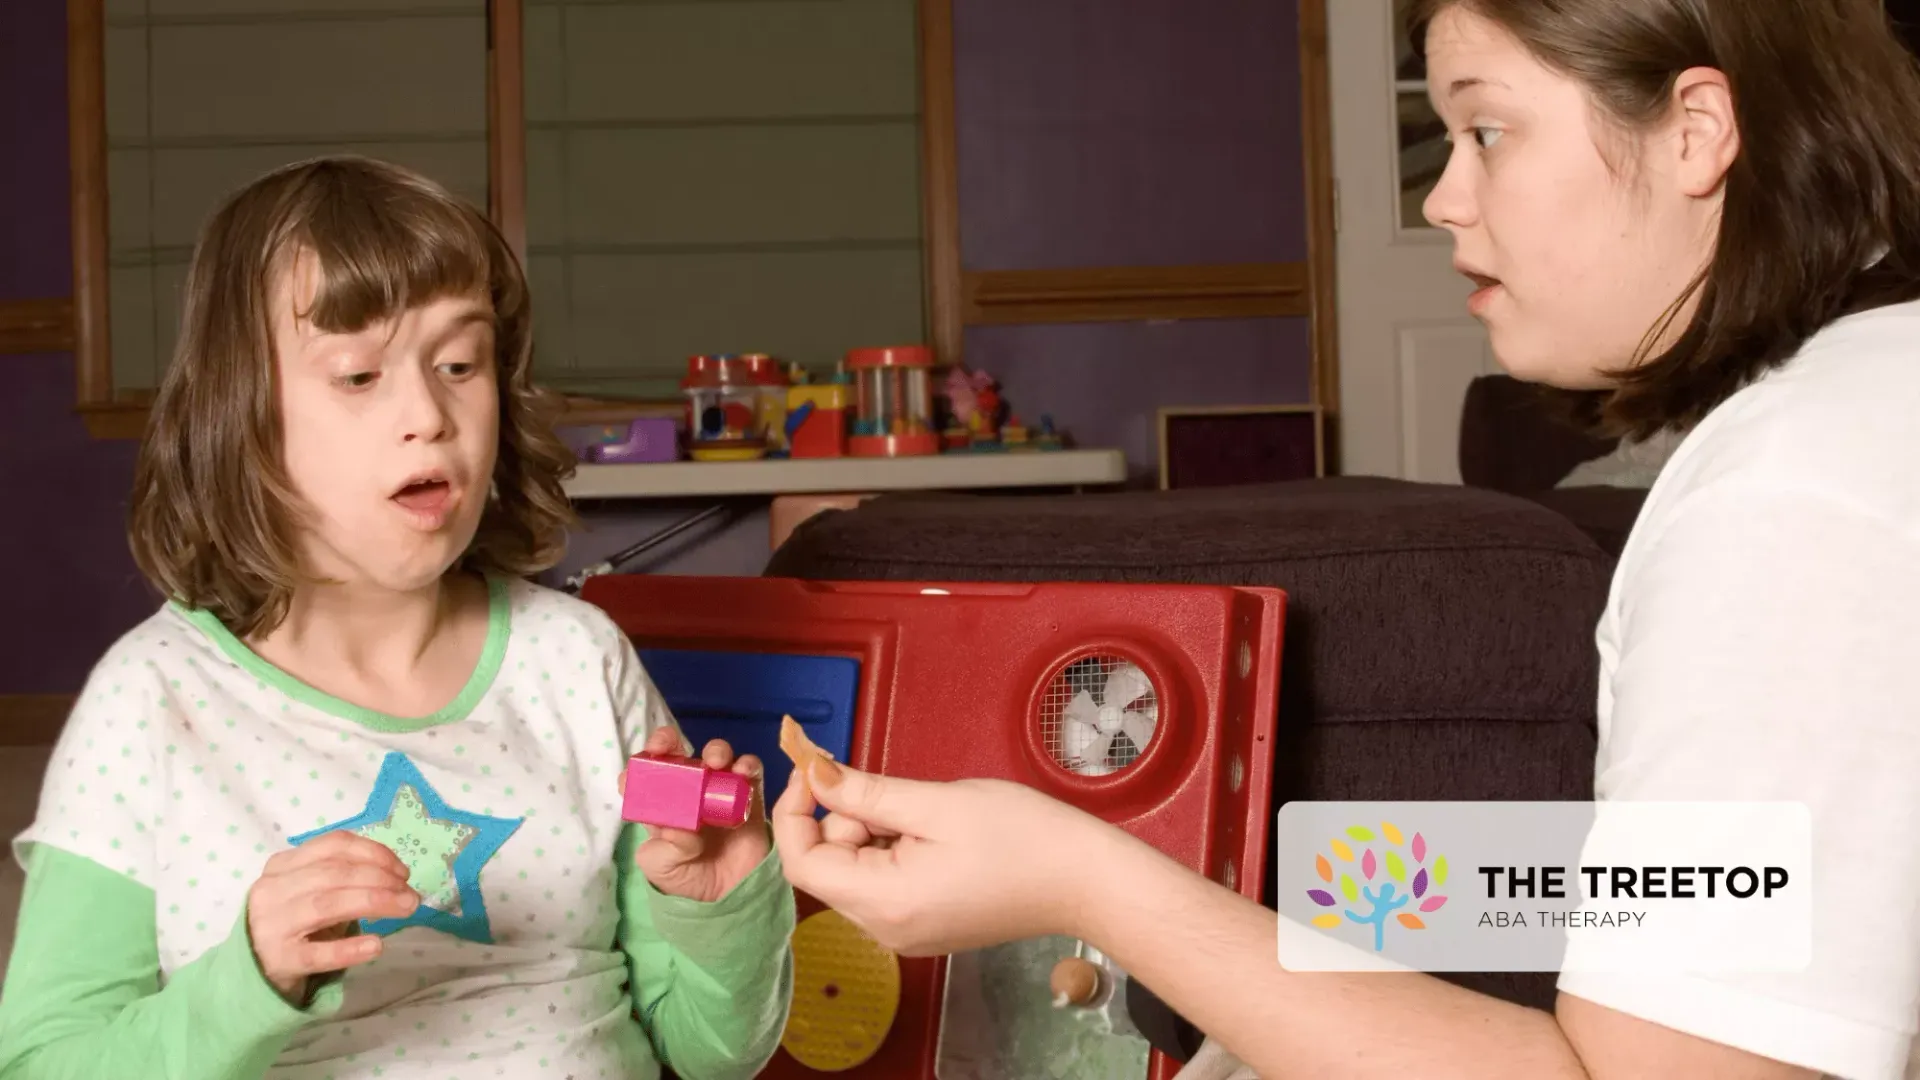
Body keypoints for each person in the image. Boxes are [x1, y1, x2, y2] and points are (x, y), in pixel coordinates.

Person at [771, 0, 1920, 1077]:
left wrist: (1093, 885)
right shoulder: (1860, 402)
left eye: (1487, 129)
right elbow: (1732, 889)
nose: (1443, 198)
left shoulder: (1787, 502)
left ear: (1696, 132)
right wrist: (1252, 893)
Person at [0, 157, 795, 1079]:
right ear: (241, 414)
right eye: (358, 374)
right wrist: (249, 979)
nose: (429, 412)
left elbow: (710, 1052)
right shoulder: (152, 700)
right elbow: (45, 1063)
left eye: (461, 362)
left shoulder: (577, 660)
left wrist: (727, 910)